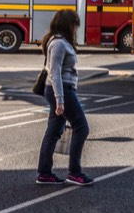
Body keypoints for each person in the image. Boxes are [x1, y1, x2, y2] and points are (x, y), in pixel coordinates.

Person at [36, 10, 93, 186]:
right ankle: (74, 172)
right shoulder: (59, 43)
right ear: (67, 25)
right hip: (62, 91)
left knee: (54, 131)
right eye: (75, 25)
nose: (76, 29)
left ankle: (44, 173)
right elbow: (55, 73)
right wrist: (60, 99)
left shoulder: (60, 42)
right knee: (81, 127)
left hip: (61, 90)